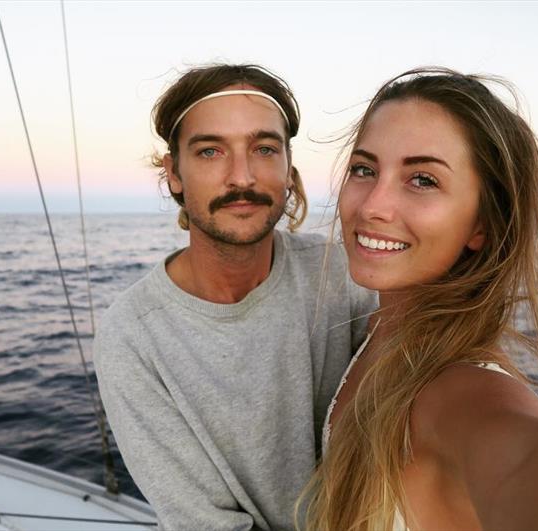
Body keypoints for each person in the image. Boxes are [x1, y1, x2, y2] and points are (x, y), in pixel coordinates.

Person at [300, 68, 538, 530]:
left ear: (482, 224)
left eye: (423, 180)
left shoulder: (460, 391)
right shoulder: (378, 330)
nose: (372, 205)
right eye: (364, 169)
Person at [94, 64, 377, 530]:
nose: (242, 177)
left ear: (288, 168)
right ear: (174, 173)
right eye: (210, 151)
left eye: (264, 149)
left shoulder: (344, 275)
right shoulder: (133, 336)